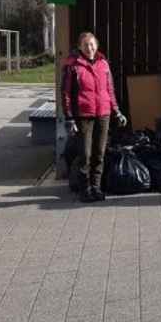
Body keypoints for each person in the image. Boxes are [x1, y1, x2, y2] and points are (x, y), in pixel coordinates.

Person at [63, 32, 127, 202]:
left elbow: (110, 90)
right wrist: (69, 117)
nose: (89, 48)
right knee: (85, 154)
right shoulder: (73, 66)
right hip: (83, 116)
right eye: (85, 45)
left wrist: (116, 111)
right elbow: (66, 94)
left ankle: (96, 188)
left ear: (97, 45)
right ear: (80, 47)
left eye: (92, 44)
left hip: (103, 114)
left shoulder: (103, 64)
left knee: (99, 153)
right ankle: (85, 189)